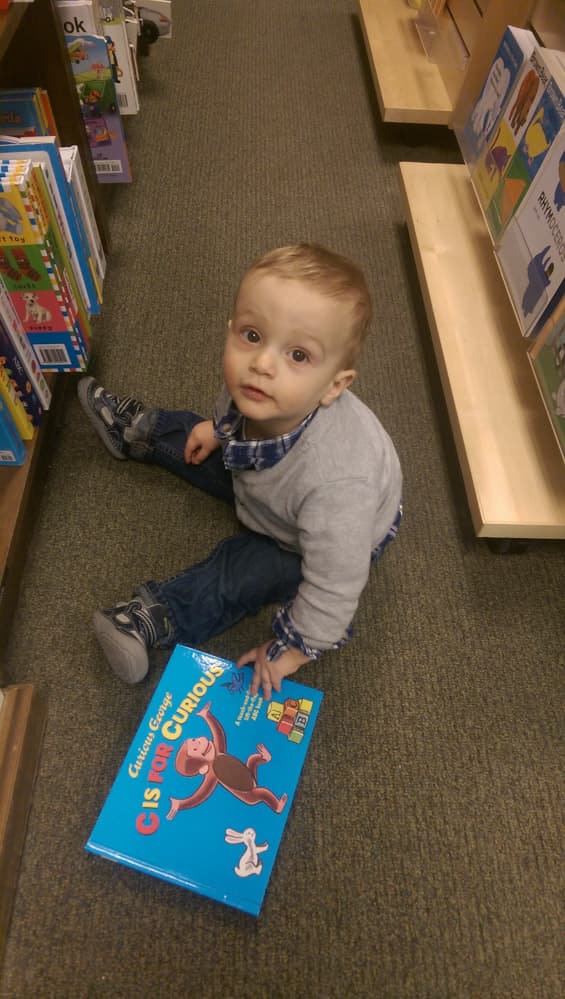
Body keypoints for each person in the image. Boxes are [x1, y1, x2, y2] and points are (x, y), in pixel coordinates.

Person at [78, 243, 402, 700]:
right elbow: (230, 418)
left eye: (298, 356)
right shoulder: (259, 390)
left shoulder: (339, 487)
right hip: (263, 476)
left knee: (243, 571)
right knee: (200, 440)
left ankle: (155, 616)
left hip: (309, 538)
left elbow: (335, 587)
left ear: (335, 385)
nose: (262, 363)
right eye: (252, 336)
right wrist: (217, 429)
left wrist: (292, 650)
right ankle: (141, 431)